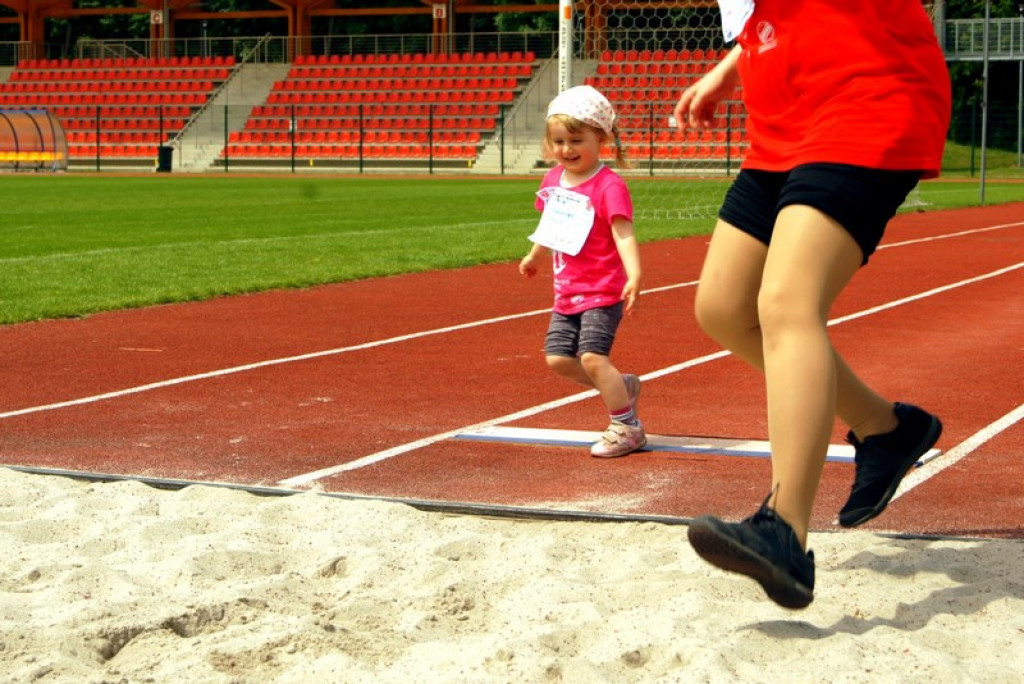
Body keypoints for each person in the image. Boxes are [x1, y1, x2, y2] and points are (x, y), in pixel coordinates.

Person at [673, 0, 950, 609]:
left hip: (867, 101)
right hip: (783, 124)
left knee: (786, 303)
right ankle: (888, 429)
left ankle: (785, 532)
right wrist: (729, 69)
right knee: (723, 308)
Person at [519, 85, 646, 459]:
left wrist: (635, 275)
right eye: (558, 141)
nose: (566, 149)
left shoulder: (609, 186)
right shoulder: (552, 181)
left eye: (576, 140)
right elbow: (551, 228)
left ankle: (627, 426)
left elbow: (623, 234)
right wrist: (535, 256)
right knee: (558, 359)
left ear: (602, 138)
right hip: (566, 291)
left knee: (592, 357)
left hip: (603, 290)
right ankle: (621, 387)